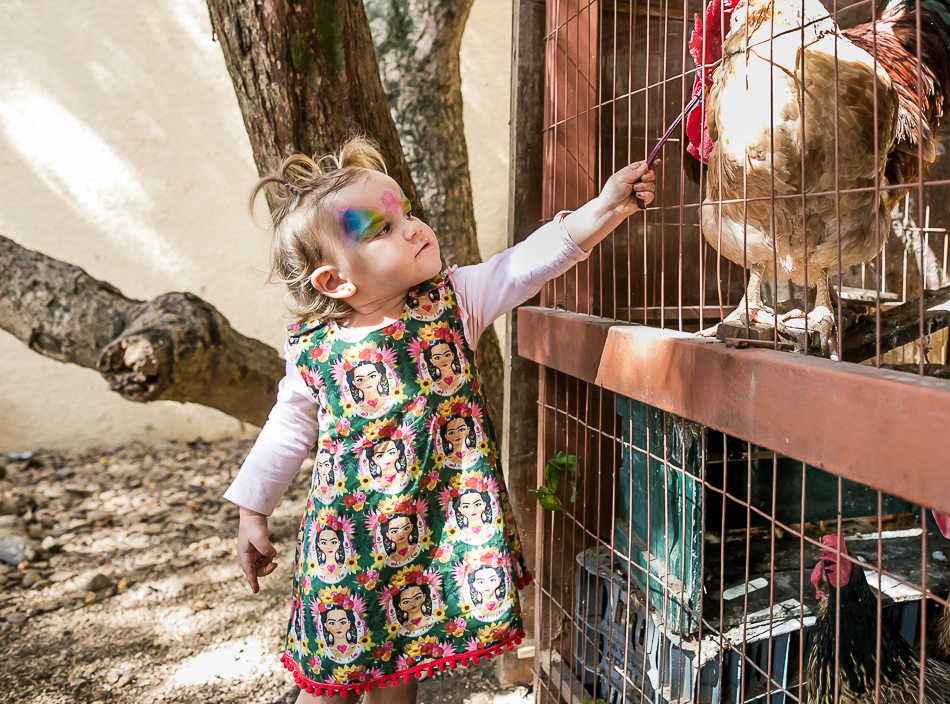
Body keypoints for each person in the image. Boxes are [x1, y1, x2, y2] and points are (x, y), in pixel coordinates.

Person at [224, 134, 655, 702]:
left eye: (404, 211)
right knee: (328, 685)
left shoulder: (453, 302)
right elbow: (288, 428)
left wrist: (605, 208)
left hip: (430, 536)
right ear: (336, 281)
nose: (412, 227)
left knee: (400, 674)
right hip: (347, 547)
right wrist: (253, 509)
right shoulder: (316, 350)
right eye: (381, 228)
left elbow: (525, 265)